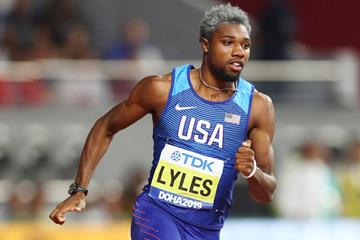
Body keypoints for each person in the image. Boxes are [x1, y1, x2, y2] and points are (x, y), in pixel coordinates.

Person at [49, 3, 277, 239]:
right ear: (206, 44)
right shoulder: (163, 89)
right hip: (156, 213)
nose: (239, 51)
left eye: (245, 45)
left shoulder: (257, 108)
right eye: (228, 43)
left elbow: (266, 192)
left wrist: (252, 173)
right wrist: (79, 189)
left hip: (206, 230)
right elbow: (106, 126)